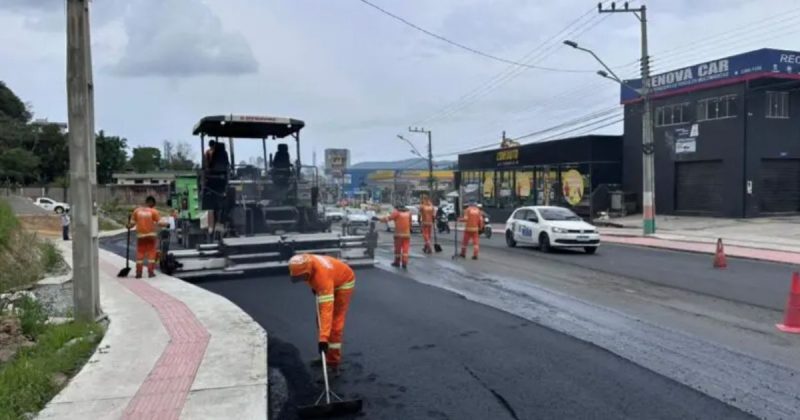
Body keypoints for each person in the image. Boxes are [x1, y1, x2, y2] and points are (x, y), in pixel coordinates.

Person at [288, 253, 356, 373]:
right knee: (319, 319)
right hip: (330, 278)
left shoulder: (321, 278)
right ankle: (325, 355)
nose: (301, 280)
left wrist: (323, 339)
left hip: (344, 282)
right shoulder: (305, 260)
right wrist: (315, 287)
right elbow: (311, 278)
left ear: (308, 271)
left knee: (335, 324)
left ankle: (333, 363)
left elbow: (326, 311)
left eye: (302, 277)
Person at [128, 196, 168, 278]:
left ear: (146, 202)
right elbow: (160, 223)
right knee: (151, 255)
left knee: (140, 254)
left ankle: (138, 273)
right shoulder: (154, 211)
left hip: (140, 237)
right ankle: (150, 272)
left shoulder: (137, 211)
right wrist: (167, 224)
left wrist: (127, 226)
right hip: (151, 237)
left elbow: (131, 224)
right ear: (152, 203)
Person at [381, 203, 412, 269]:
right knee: (405, 249)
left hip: (399, 234)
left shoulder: (397, 213)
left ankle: (397, 262)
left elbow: (389, 218)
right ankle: (404, 262)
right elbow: (410, 223)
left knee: (398, 249)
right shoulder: (408, 213)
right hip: (407, 234)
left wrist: (380, 219)